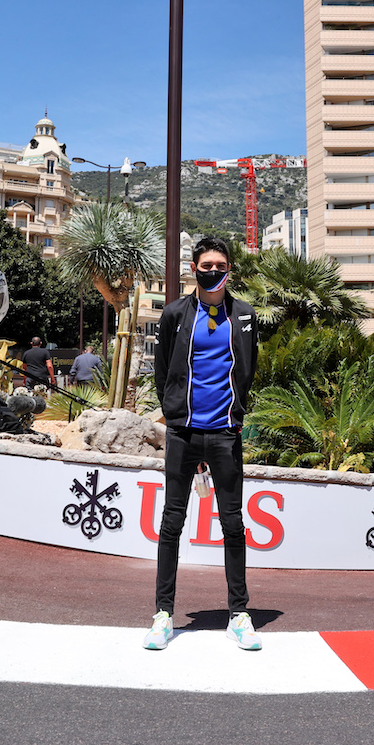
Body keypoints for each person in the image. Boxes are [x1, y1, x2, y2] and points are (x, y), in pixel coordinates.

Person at [144, 237, 260, 651]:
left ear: (230, 269)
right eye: (206, 263)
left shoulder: (244, 316)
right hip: (184, 434)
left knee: (233, 525)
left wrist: (236, 416)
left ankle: (240, 615)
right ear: (194, 267)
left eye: (220, 263)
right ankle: (163, 615)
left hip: (225, 434)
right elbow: (162, 372)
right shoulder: (175, 313)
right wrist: (176, 417)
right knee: (171, 523)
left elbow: (246, 372)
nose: (213, 269)